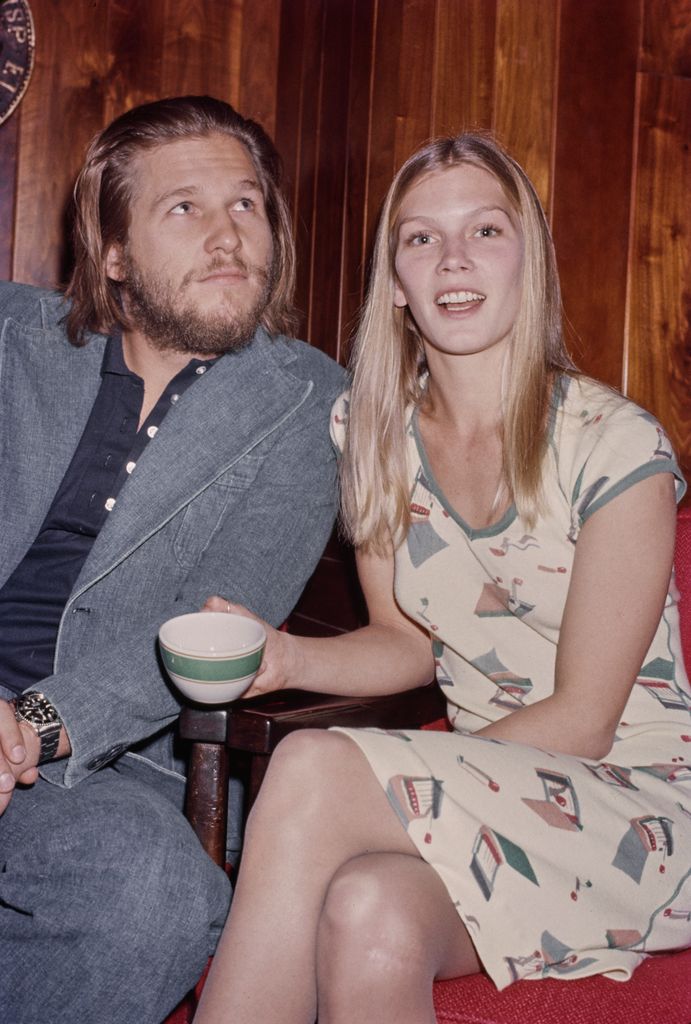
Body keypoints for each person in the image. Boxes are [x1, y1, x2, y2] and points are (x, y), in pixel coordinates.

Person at [194, 133, 691, 1024]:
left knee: (308, 766)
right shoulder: (372, 432)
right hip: (485, 794)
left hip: (635, 808)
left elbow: (582, 723)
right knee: (369, 916)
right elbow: (406, 644)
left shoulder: (615, 444)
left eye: (485, 232)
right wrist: (283, 659)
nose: (453, 259)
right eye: (421, 238)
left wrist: (382, 770)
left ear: (526, 261)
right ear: (395, 280)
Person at [0, 95, 345, 1024]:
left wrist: (28, 724)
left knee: (153, 894)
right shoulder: (10, 342)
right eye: (183, 208)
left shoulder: (303, 400)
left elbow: (212, 628)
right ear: (112, 252)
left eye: (246, 205)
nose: (229, 235)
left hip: (94, 766)